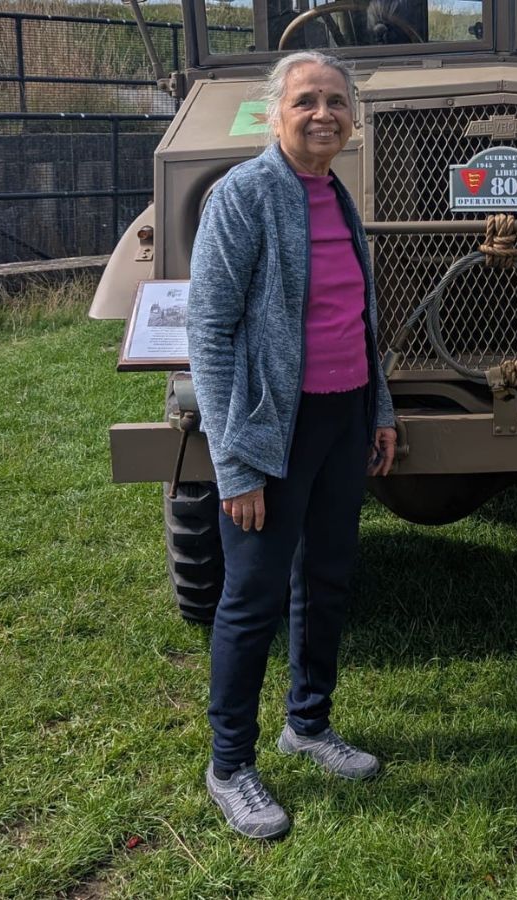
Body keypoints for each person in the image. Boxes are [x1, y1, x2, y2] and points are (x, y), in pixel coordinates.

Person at [186, 50, 397, 839]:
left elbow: (360, 321)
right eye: (307, 100)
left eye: (337, 103)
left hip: (343, 421)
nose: (324, 115)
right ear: (275, 113)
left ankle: (307, 724)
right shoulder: (243, 196)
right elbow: (208, 333)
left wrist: (379, 410)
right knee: (253, 597)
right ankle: (230, 763)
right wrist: (234, 461)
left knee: (329, 577)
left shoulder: (338, 197)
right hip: (273, 432)